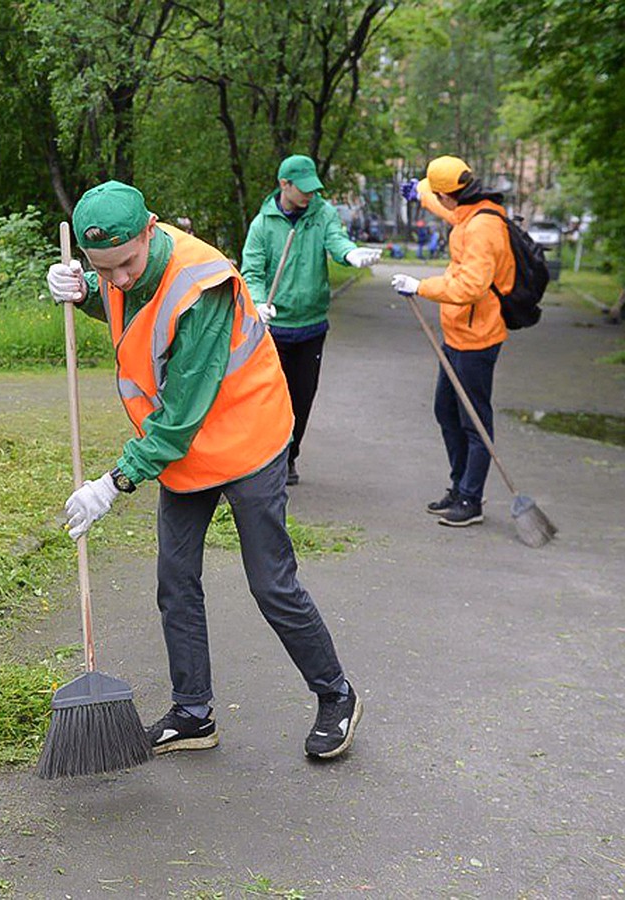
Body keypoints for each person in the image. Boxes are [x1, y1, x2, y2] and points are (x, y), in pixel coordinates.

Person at [46, 180, 363, 760]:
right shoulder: (122, 268)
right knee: (175, 581)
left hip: (246, 440)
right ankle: (193, 713)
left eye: (124, 265)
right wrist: (82, 289)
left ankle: (335, 694)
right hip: (189, 452)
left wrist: (114, 482)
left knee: (271, 582)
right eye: (102, 267)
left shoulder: (203, 284)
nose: (118, 278)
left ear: (152, 228)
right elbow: (123, 299)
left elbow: (180, 414)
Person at [239, 155, 382, 486]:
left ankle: (290, 458)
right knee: (269, 399)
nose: (308, 195)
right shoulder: (263, 225)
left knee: (302, 397)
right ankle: (264, 462)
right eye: (302, 189)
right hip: (274, 328)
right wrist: (258, 303)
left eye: (312, 189)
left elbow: (336, 238)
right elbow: (252, 271)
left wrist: (349, 253)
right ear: (284, 184)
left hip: (311, 327)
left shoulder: (323, 214)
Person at [392, 155, 514, 528]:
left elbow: (470, 286)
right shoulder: (468, 209)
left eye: (435, 194)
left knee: (473, 419)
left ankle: (470, 498)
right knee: (446, 411)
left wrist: (420, 286)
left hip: (478, 337)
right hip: (458, 334)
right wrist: (418, 193)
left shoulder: (482, 229)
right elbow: (446, 208)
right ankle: (461, 485)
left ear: (452, 194)